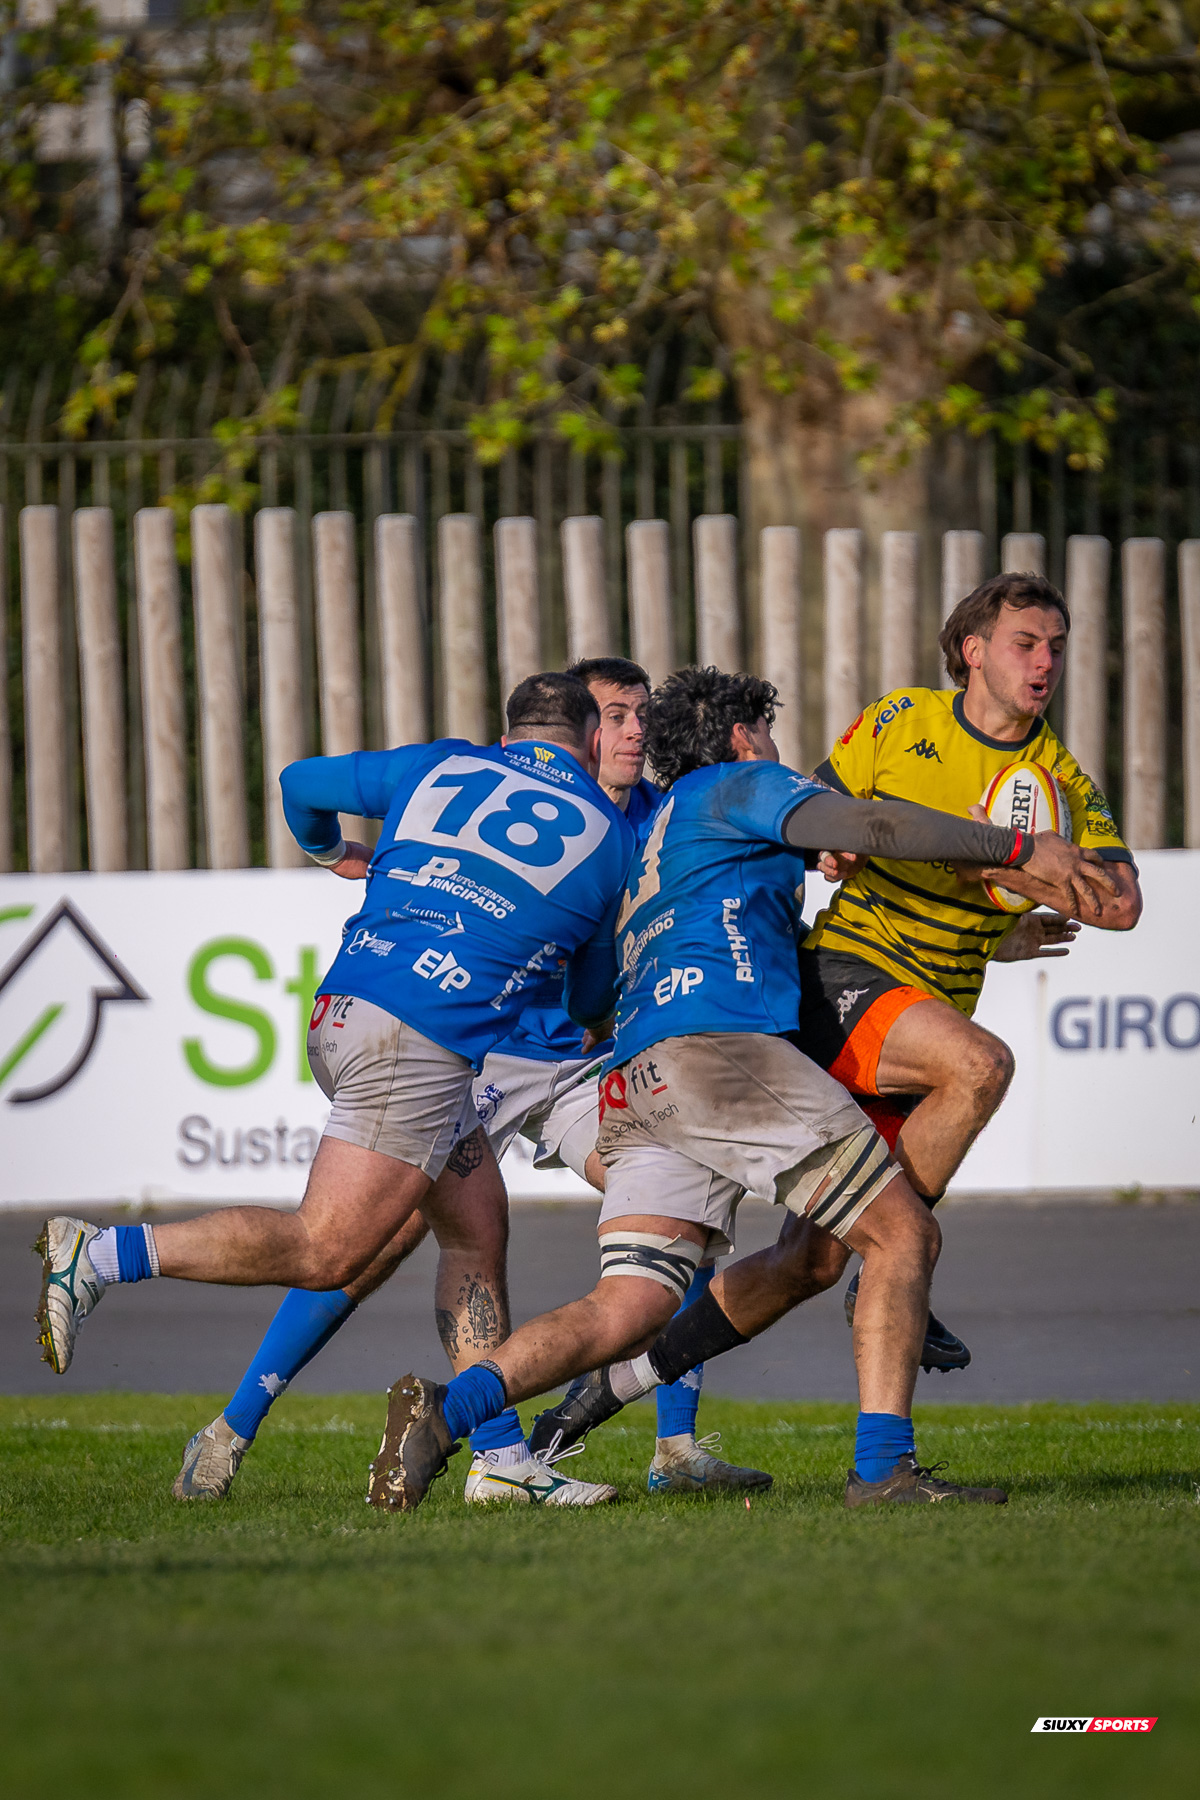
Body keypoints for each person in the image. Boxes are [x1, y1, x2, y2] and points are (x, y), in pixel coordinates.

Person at [368, 666, 1114, 1512]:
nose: (780, 753)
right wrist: (1016, 849)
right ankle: (883, 1470)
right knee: (902, 1233)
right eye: (769, 734)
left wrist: (990, 939)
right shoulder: (740, 783)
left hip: (637, 1076)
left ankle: (447, 1411)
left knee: (630, 1305)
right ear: (740, 736)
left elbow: (590, 996)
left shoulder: (653, 835)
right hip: (719, 1053)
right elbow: (870, 822)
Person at [168, 656, 766, 1504]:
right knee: (374, 1241)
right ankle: (233, 1428)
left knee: (682, 1195)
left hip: (577, 1061)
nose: (636, 731)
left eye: (642, 714)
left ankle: (667, 1446)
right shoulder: (560, 811)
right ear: (580, 734)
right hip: (486, 1050)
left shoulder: (653, 817)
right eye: (616, 715)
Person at [34, 672, 634, 1457]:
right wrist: (592, 1012)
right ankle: (101, 1255)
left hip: (345, 1006)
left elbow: (299, 783)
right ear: (593, 740)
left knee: (475, 1229)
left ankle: (499, 1460)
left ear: (507, 734)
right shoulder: (610, 833)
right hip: (419, 1040)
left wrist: (330, 852)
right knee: (327, 1250)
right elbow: (589, 996)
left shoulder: (442, 764)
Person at [800, 571, 1140, 1353]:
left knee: (805, 1262)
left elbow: (1120, 904)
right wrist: (833, 843)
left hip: (932, 1014)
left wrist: (999, 864)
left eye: (1057, 647)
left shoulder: (1059, 776)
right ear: (973, 650)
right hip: (850, 974)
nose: (1045, 662)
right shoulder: (902, 718)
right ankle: (896, 1258)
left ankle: (611, 1387)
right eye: (1026, 644)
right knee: (984, 1067)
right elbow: (808, 810)